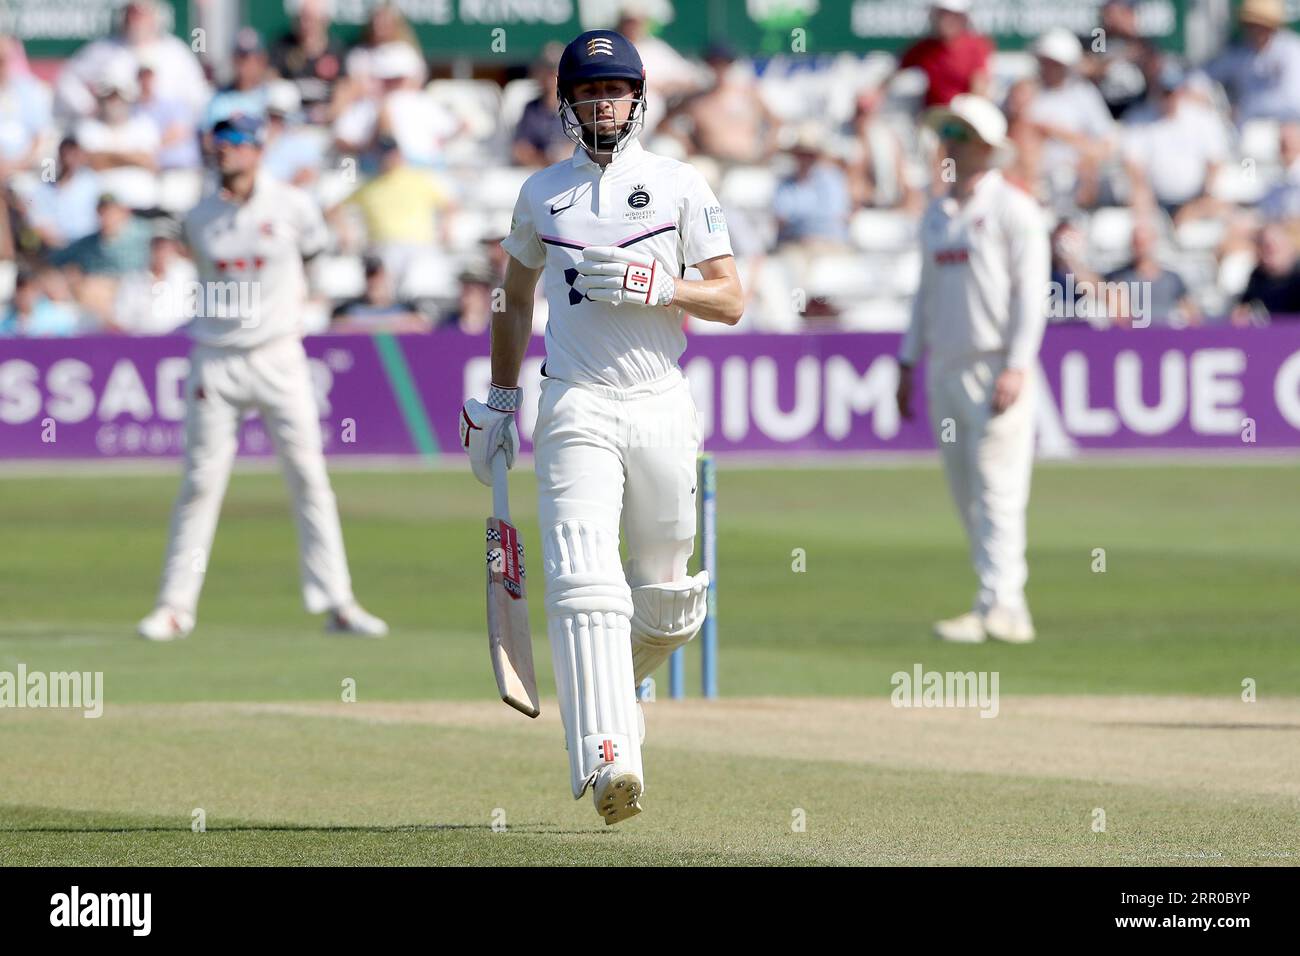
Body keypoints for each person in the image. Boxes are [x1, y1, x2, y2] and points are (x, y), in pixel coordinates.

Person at [460, 30, 742, 825]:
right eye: (587, 94)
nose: (601, 106)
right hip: (576, 401)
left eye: (614, 92)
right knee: (586, 580)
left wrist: (666, 285)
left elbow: (732, 300)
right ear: (567, 103)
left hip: (659, 401)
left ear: (638, 99)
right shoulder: (541, 192)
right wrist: (503, 398)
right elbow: (514, 300)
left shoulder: (682, 184)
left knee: (673, 602)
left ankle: (611, 690)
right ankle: (608, 756)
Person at [138, 115, 387, 642]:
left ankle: (338, 602)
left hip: (279, 355)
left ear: (257, 150)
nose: (225, 151)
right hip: (215, 358)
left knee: (309, 478)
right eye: (219, 142)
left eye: (236, 142)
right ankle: (174, 608)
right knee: (201, 484)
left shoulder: (293, 207)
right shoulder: (199, 217)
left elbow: (316, 256)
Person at [895, 95, 1049, 644]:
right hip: (946, 368)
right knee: (966, 491)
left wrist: (1017, 364)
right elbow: (925, 295)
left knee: (998, 488)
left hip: (995, 367)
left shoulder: (1014, 209)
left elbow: (1033, 296)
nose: (952, 145)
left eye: (963, 136)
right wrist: (908, 361)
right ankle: (994, 597)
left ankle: (1005, 607)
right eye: (949, 135)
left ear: (987, 148)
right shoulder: (938, 213)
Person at [1205, 0, 1300, 126]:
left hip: (1286, 126)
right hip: (1247, 129)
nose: (1254, 30)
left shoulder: (1291, 49)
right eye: (1250, 24)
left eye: (1260, 24)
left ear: (1272, 26)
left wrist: (1246, 107)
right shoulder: (1242, 53)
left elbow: (1292, 102)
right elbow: (1207, 73)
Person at [897, 0, 992, 109]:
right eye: (942, 14)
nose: (946, 20)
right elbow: (895, 67)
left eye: (952, 15)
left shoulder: (976, 46)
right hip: (933, 117)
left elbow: (980, 87)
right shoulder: (924, 48)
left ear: (963, 18)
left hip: (964, 116)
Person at [1232, 224, 1300, 324]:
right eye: (1263, 248)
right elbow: (1244, 309)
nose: (1268, 254)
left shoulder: (1297, 278)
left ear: (1289, 246)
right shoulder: (1257, 276)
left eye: (1273, 248)